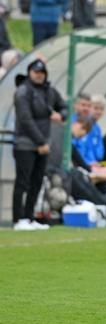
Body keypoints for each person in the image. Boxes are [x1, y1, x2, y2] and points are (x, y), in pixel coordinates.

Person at [13, 58, 68, 231]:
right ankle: (18, 218)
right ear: (29, 73)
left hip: (43, 146)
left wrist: (61, 115)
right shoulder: (23, 91)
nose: (39, 75)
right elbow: (25, 119)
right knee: (23, 182)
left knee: (37, 182)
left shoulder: (49, 91)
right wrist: (41, 142)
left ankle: (30, 217)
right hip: (25, 144)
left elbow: (64, 106)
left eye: (42, 72)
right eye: (36, 72)